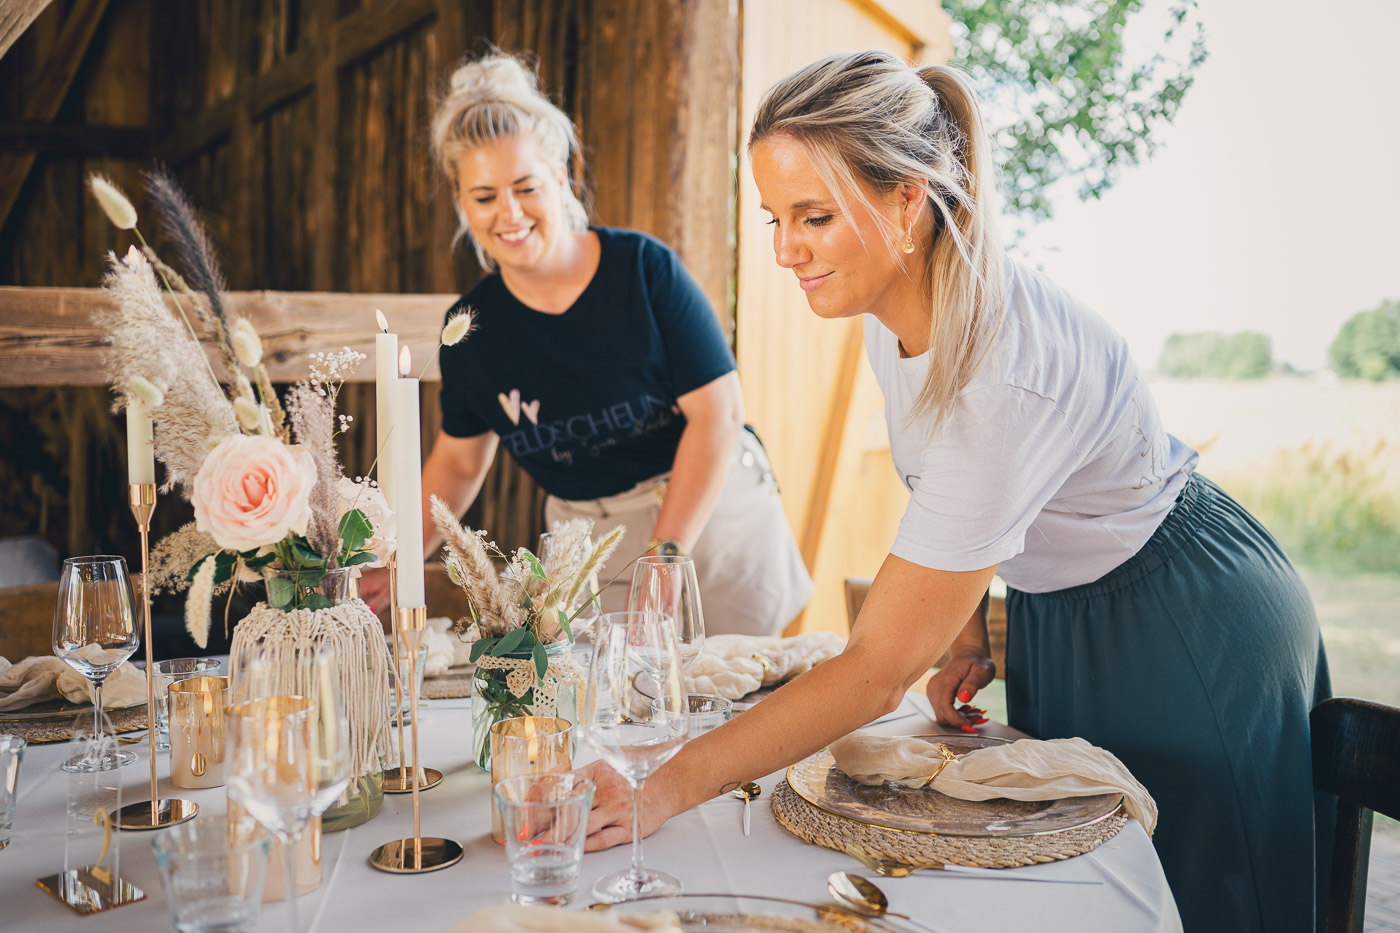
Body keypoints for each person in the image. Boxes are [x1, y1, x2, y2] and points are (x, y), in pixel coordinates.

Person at [581, 50, 1331, 933]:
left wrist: (665, 784)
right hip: (1061, 612)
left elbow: (876, 669)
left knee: (1192, 897)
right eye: (776, 218)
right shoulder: (890, 309)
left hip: (1181, 622)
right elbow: (950, 491)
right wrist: (965, 629)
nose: (784, 250)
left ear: (908, 202)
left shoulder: (1000, 377)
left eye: (814, 217)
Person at [360, 51, 812, 636]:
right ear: (461, 201)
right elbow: (459, 460)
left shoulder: (644, 270)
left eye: (526, 187)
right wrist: (395, 564)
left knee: (747, 685)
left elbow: (718, 415)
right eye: (485, 196)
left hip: (710, 518)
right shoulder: (469, 328)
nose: (509, 213)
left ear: (560, 177)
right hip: (589, 546)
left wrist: (665, 559)